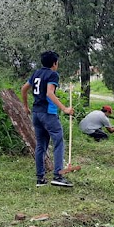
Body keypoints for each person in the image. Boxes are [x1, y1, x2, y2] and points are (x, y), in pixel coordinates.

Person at [21, 50, 74, 187]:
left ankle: (40, 178)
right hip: (48, 114)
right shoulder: (53, 74)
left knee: (41, 145)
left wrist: (26, 107)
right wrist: (64, 109)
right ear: (54, 63)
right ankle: (58, 175)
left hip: (36, 114)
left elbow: (24, 89)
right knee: (58, 142)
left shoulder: (36, 73)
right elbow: (50, 93)